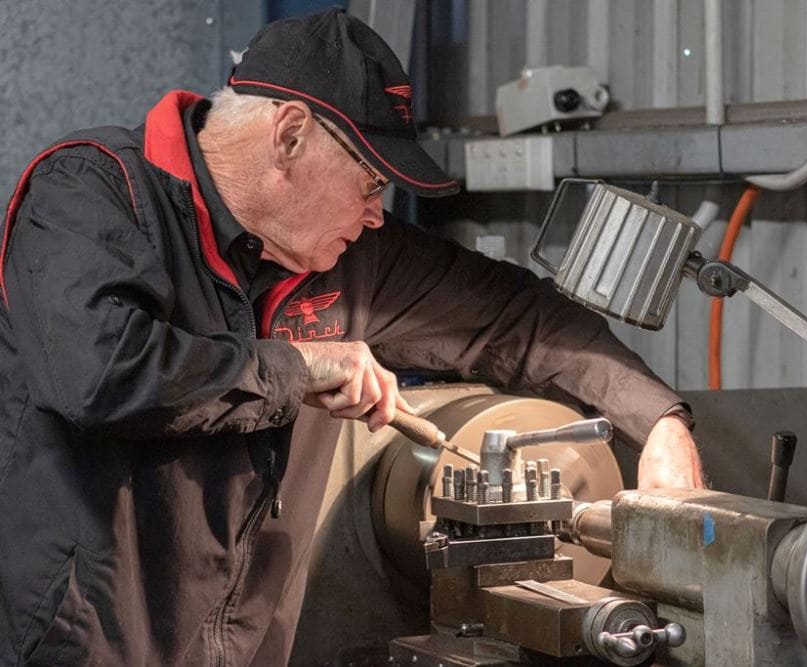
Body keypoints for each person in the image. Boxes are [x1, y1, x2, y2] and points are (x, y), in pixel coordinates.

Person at [0, 9, 702, 665]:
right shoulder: (94, 192)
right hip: (76, 646)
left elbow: (516, 318)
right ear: (290, 135)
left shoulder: (349, 258)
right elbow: (101, 372)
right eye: (369, 183)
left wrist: (660, 420)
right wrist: (296, 367)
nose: (376, 215)